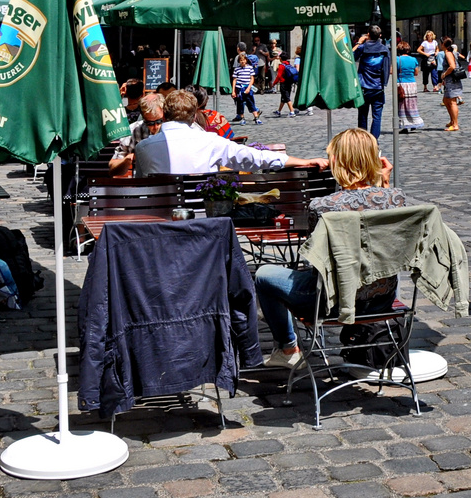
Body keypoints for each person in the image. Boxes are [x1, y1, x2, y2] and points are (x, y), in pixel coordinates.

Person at [254, 128, 402, 370]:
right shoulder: (396, 199)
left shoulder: (323, 206)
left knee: (263, 276)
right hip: (382, 300)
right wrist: (383, 182)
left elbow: (316, 257)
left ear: (339, 162)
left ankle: (288, 348)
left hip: (333, 301)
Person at [134, 90, 327, 177]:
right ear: (194, 117)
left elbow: (142, 183)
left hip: (160, 218)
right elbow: (254, 158)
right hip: (203, 218)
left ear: (164, 116)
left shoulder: (143, 147)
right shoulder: (209, 141)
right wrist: (302, 161)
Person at [110, 92, 163, 175]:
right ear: (143, 118)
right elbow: (113, 168)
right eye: (150, 123)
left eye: (159, 121)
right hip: (142, 182)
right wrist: (128, 159)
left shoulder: (172, 130)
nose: (156, 127)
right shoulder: (134, 130)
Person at [354, 25, 390, 136]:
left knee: (363, 115)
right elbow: (387, 67)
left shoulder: (363, 47)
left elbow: (350, 57)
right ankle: (374, 141)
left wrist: (359, 42)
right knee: (377, 116)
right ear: (380, 36)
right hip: (378, 87)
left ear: (367, 35)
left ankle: (363, 140)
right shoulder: (384, 49)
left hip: (364, 86)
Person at [395, 39, 424, 131]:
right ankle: (414, 123)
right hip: (411, 84)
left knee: (402, 105)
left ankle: (404, 125)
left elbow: (392, 71)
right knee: (412, 104)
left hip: (401, 84)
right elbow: (416, 73)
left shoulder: (397, 59)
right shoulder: (413, 59)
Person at [438, 36, 462, 132]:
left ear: (443, 44)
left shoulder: (448, 54)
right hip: (450, 80)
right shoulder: (449, 52)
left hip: (452, 80)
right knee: (446, 100)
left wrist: (444, 74)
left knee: (452, 102)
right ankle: (452, 120)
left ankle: (455, 124)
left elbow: (452, 66)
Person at [231, 52, 261, 125]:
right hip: (239, 88)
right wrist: (233, 91)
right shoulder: (237, 69)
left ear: (246, 60)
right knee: (240, 104)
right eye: (241, 60)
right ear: (239, 61)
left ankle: (256, 118)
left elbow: (252, 79)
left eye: (243, 60)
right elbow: (234, 80)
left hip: (247, 87)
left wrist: (249, 87)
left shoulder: (250, 68)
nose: (242, 61)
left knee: (251, 103)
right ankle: (242, 118)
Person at [273, 50, 297, 117]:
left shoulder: (281, 66)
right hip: (289, 82)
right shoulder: (288, 64)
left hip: (283, 83)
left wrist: (274, 83)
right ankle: (279, 111)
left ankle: (292, 111)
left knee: (287, 98)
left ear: (280, 58)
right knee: (283, 98)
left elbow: (279, 76)